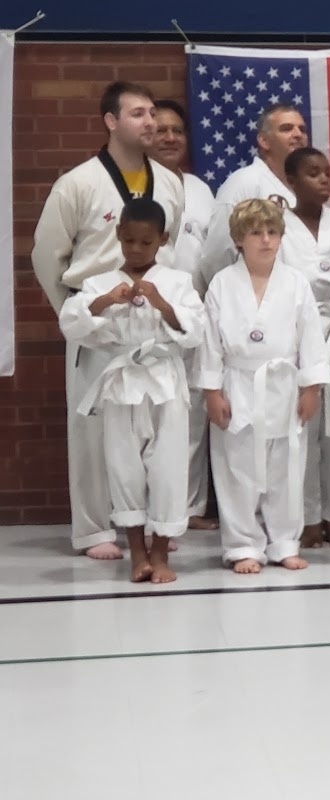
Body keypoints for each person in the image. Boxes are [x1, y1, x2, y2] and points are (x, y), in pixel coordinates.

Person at [31, 80, 185, 560]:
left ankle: (158, 525)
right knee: (94, 429)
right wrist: (76, 316)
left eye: (153, 113)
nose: (151, 122)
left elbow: (171, 250)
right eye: (138, 113)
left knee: (158, 431)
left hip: (151, 327)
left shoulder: (171, 182)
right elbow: (46, 256)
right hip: (98, 323)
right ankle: (94, 529)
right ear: (111, 122)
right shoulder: (77, 183)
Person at [58, 198, 204, 583]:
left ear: (163, 240)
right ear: (118, 236)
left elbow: (196, 332)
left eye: (146, 242)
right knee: (124, 469)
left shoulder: (178, 282)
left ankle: (161, 555)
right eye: (129, 241)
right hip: (121, 382)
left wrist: (161, 303)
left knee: (168, 468)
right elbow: (72, 324)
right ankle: (137, 554)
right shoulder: (99, 283)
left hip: (165, 383)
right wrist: (109, 299)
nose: (136, 249)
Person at [196, 199, 330, 574]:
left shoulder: (296, 282)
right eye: (256, 233)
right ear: (239, 239)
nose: (266, 240)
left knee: (286, 467)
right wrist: (211, 392)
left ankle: (285, 542)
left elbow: (310, 339)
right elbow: (210, 344)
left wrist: (311, 388)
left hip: (284, 383)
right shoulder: (222, 284)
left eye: (272, 232)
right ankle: (242, 545)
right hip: (237, 382)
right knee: (236, 467)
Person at [279, 147, 330, 549]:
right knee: (304, 431)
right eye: (312, 173)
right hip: (297, 334)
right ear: (291, 180)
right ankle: (307, 518)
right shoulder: (278, 226)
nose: (323, 180)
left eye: (327, 172)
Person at [150, 98, 219, 532]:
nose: (171, 137)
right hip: (147, 315)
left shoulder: (200, 189)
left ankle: (190, 508)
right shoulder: (135, 185)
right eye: (161, 130)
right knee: (147, 420)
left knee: (193, 414)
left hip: (194, 315)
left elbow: (212, 253)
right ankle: (145, 511)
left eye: (177, 130)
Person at [195, 103, 309, 294]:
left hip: (297, 297)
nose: (298, 134)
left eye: (302, 129)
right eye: (287, 129)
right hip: (250, 298)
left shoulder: (304, 188)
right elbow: (218, 254)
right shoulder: (243, 183)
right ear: (264, 141)